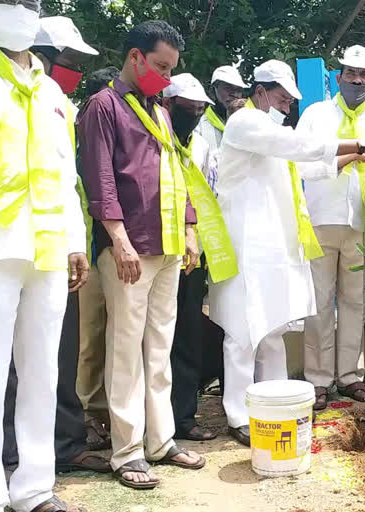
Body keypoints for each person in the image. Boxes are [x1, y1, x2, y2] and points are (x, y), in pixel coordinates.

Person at [210, 59, 365, 446]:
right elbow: (298, 146)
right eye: (282, 97)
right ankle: (238, 414)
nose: (288, 105)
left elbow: (308, 167)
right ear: (260, 91)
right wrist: (359, 144)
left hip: (273, 245)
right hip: (245, 245)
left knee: (272, 328)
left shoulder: (270, 131)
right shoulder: (246, 123)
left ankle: (275, 404)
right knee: (243, 333)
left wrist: (357, 158)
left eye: (292, 99)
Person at [0, 2, 88, 511]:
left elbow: (67, 172)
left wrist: (77, 240)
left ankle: (35, 488)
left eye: (30, 3)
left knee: (43, 372)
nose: (21, 10)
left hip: (47, 246)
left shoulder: (53, 91)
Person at [78, 20, 205, 490]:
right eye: (160, 66)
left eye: (171, 68)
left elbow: (177, 169)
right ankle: (127, 452)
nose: (165, 76)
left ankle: (161, 440)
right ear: (135, 57)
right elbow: (100, 178)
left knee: (159, 348)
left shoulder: (160, 110)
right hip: (131, 249)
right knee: (126, 350)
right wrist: (119, 238)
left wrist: (190, 228)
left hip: (169, 245)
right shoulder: (103, 106)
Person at [1, 14, 111, 478]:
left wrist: (72, 243)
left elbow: (66, 183)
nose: (75, 72)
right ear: (40, 53)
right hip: (5, 245)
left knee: (59, 353)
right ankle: (10, 453)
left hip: (55, 248)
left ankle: (61, 445)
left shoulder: (59, 105)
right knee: (7, 360)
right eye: (68, 60)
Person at [297, 45, 365, 411]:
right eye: (350, 74)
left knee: (354, 303)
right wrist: (355, 154)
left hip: (360, 222)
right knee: (318, 303)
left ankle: (350, 376)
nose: (356, 81)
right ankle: (318, 380)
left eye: (363, 75)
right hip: (320, 219)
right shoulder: (316, 115)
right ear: (338, 77)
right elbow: (302, 165)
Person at [161, 73, 220, 441]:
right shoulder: (157, 139)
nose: (195, 116)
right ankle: (153, 421)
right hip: (154, 248)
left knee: (187, 333)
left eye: (200, 110)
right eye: (188, 109)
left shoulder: (201, 147)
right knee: (153, 340)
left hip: (192, 255)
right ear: (168, 104)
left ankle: (183, 417)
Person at [75, 66, 120, 452]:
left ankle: (110, 410)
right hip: (86, 254)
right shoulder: (81, 136)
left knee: (116, 336)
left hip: (115, 249)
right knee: (90, 337)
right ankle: (88, 411)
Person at [195, 65, 248, 156]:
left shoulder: (248, 125)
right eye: (228, 88)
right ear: (213, 90)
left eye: (238, 90)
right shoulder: (199, 125)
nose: (234, 94)